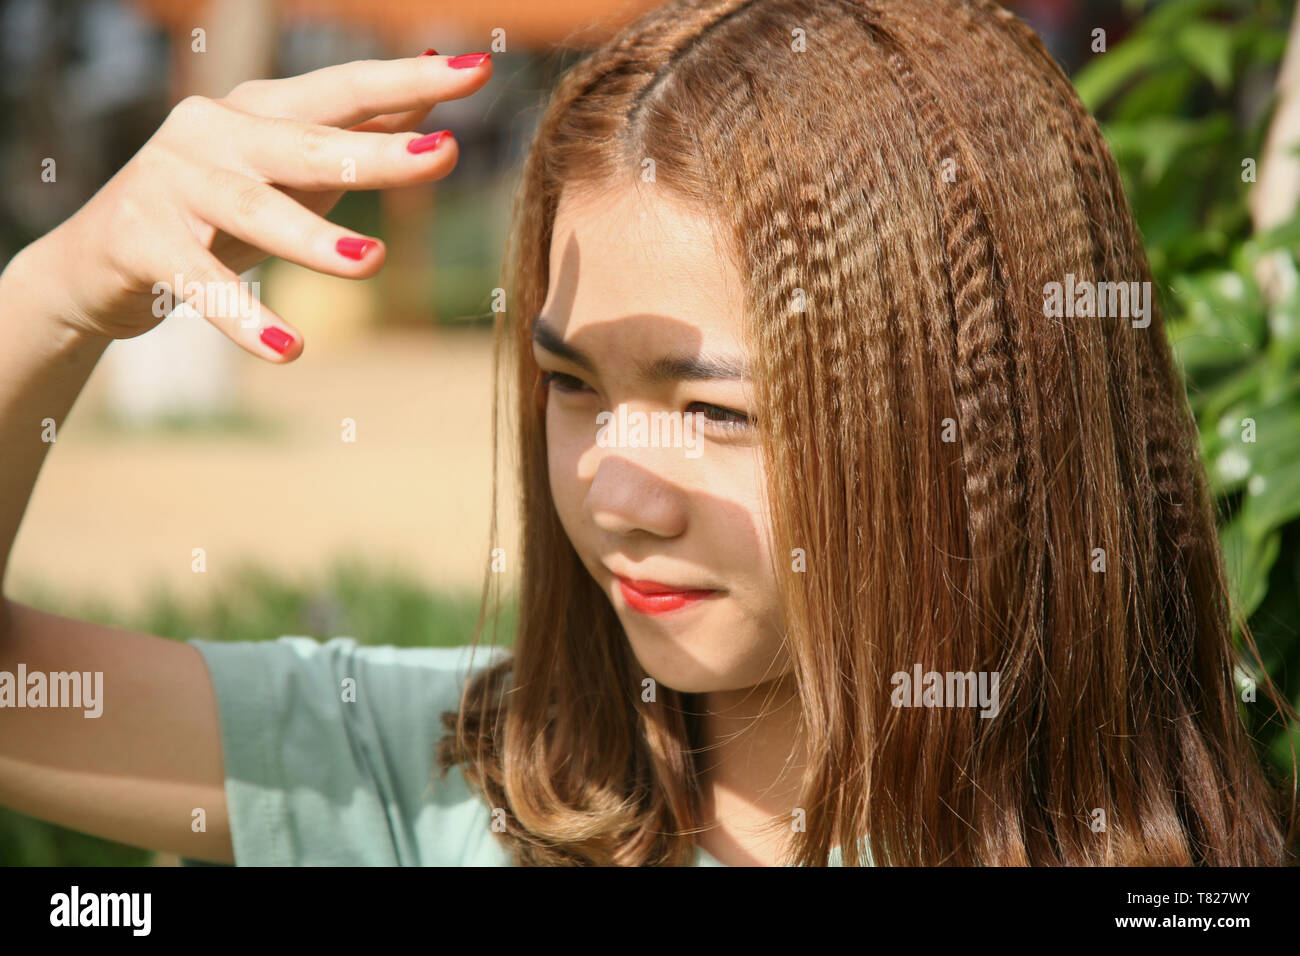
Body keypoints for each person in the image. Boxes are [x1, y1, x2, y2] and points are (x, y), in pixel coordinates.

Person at [1, 0, 1295, 867]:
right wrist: (57, 293)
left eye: (716, 408)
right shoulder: (465, 789)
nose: (615, 486)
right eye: (571, 383)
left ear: (980, 428)